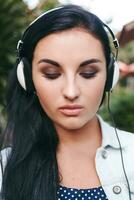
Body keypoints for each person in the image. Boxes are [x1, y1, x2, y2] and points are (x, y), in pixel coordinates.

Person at [0, 4, 134, 200]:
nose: (71, 92)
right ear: (28, 80)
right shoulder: (5, 169)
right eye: (51, 74)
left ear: (109, 76)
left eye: (88, 73)